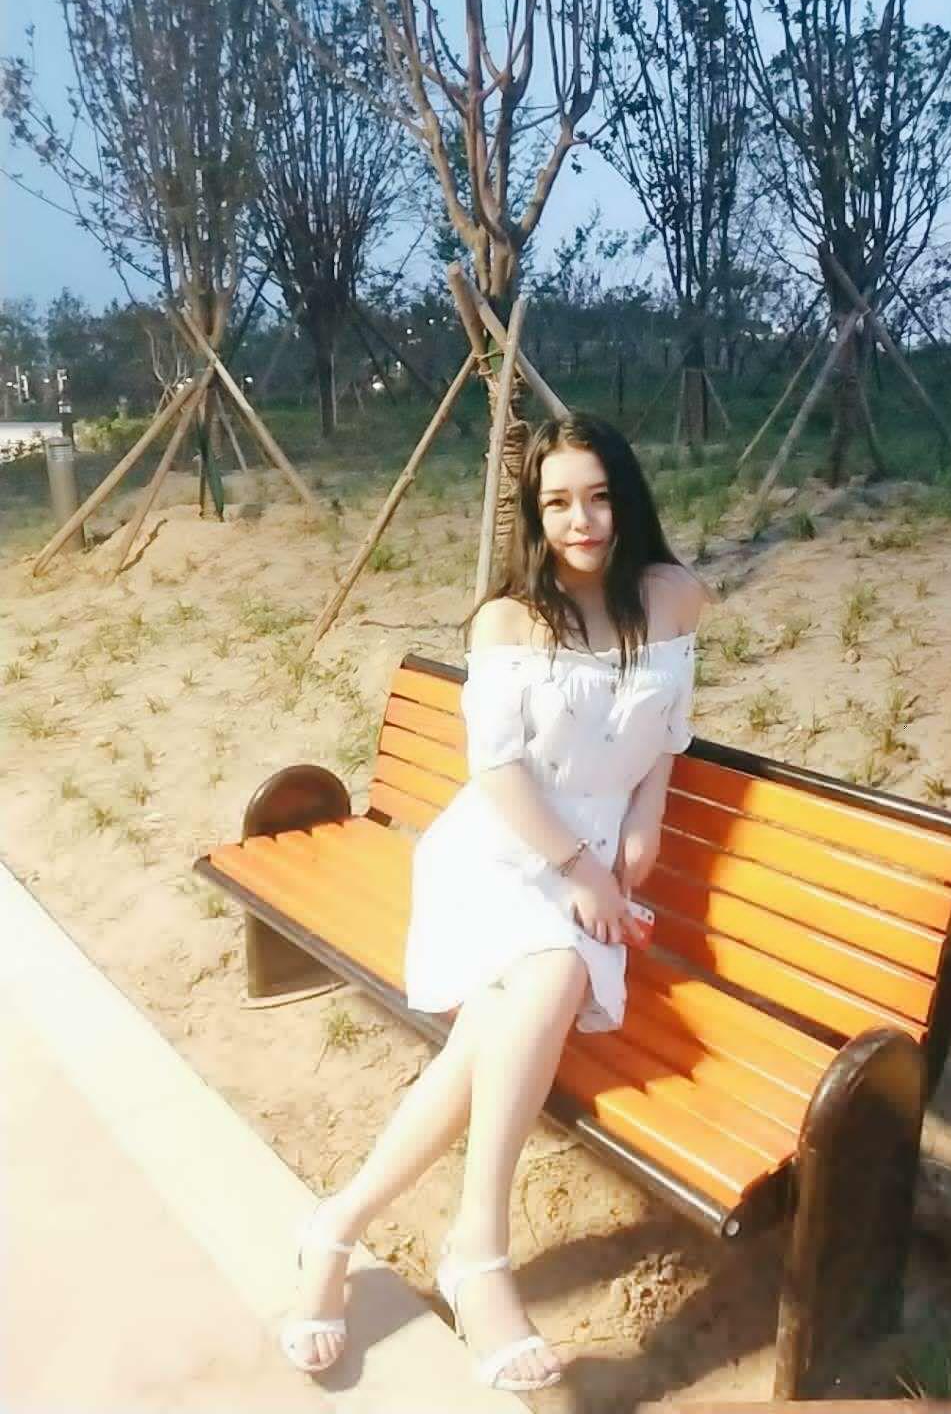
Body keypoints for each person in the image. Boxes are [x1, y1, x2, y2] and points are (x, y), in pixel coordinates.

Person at [280, 411, 706, 1391]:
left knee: (496, 1029)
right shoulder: (511, 619)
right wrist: (584, 872)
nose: (581, 521)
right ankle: (479, 1251)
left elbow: (669, 730)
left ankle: (336, 1227)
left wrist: (647, 818)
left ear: (627, 498)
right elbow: (500, 772)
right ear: (534, 514)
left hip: (593, 856)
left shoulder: (677, 596)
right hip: (505, 850)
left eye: (598, 497)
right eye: (558, 503)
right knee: (548, 970)